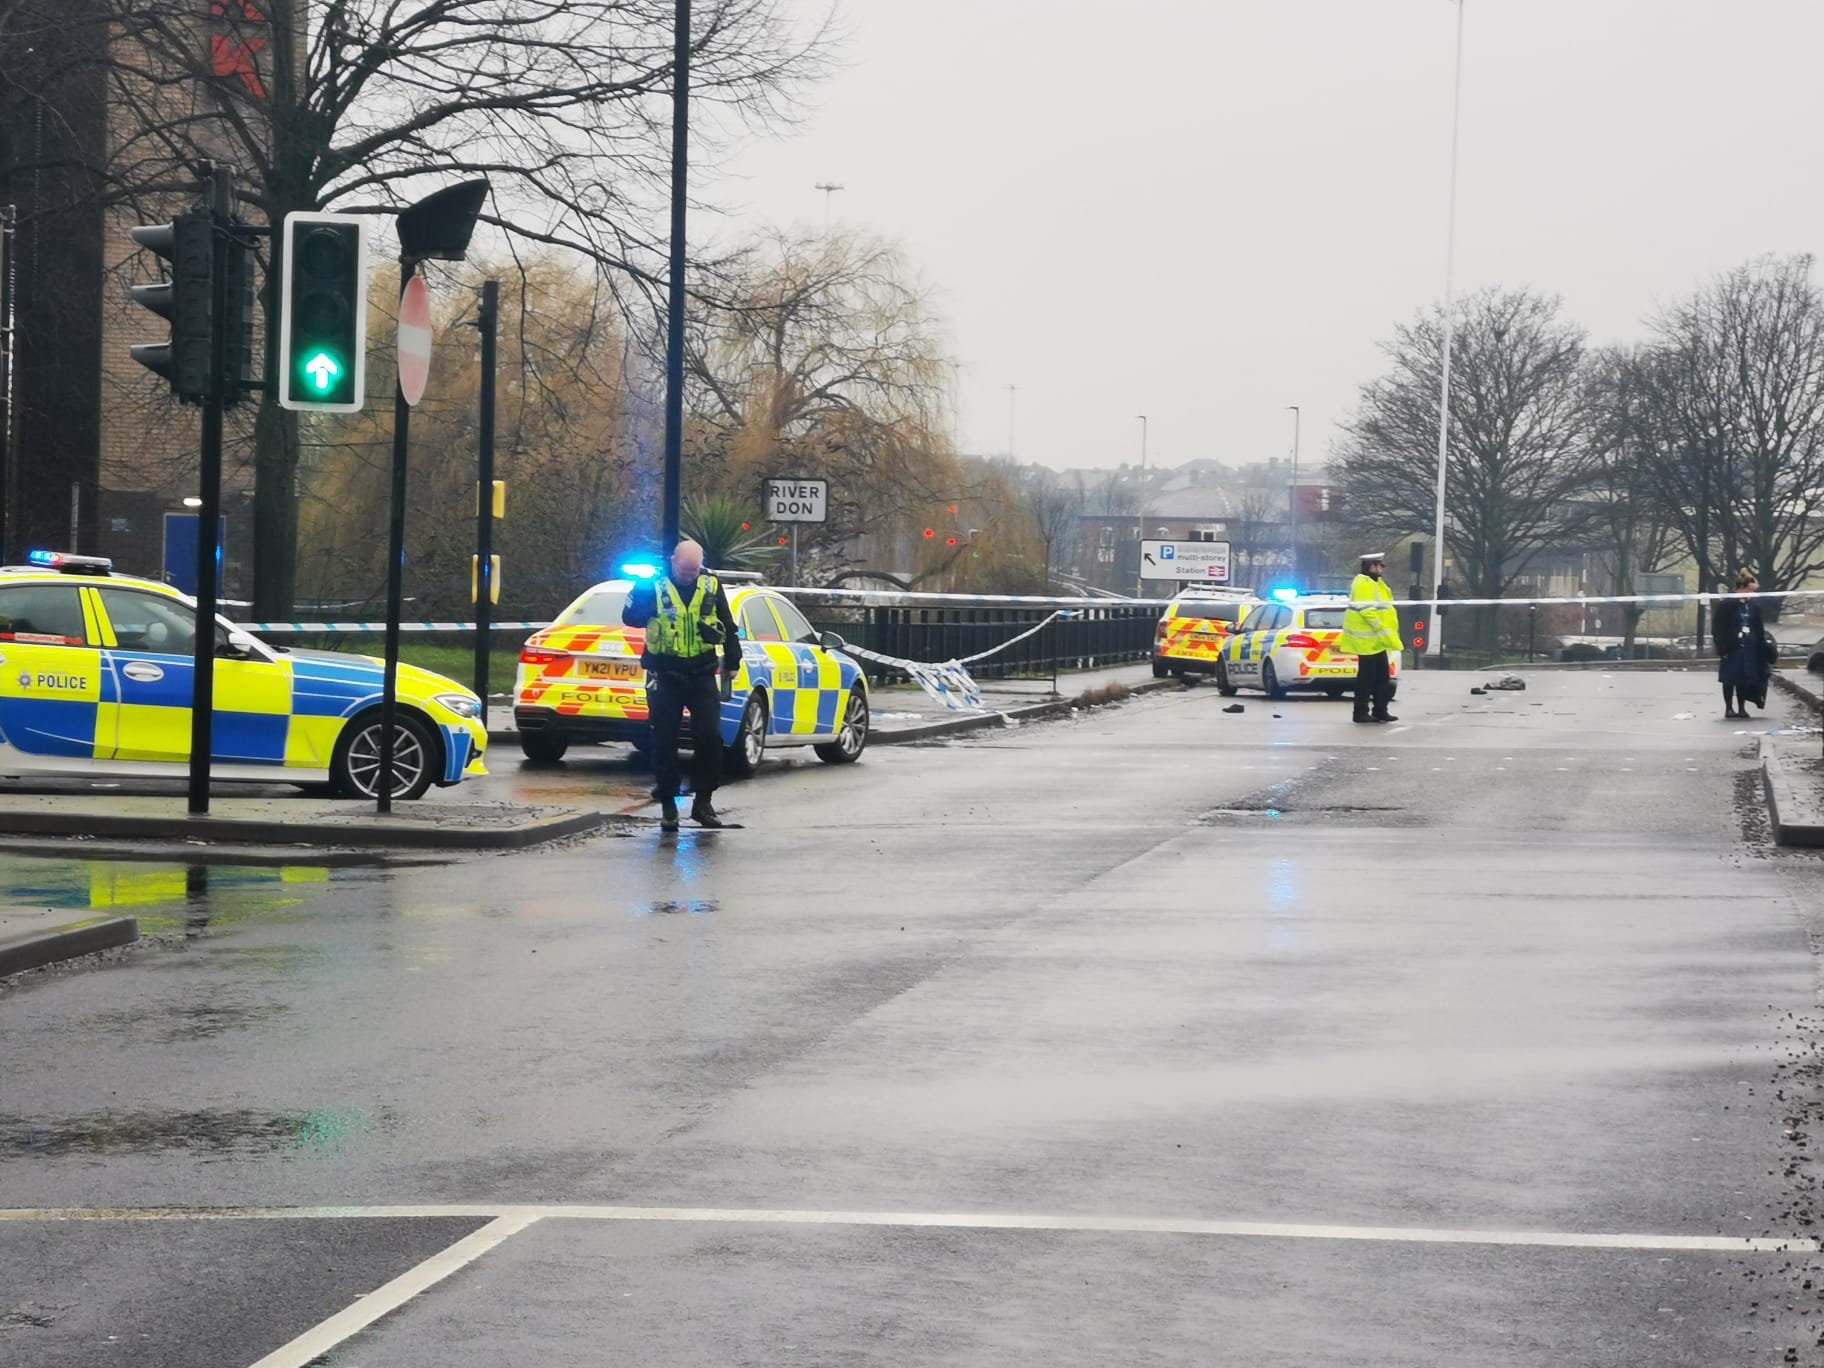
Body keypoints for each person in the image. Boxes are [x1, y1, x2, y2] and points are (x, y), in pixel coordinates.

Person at [622, 539, 742, 830]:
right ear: (673, 561)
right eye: (685, 570)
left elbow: (727, 624)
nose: (690, 576)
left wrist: (733, 660)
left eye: (694, 570)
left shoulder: (711, 584)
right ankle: (668, 805)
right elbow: (630, 617)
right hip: (665, 674)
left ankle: (703, 802)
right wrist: (643, 593)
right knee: (664, 741)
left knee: (710, 737)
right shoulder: (654, 584)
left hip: (702, 672)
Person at [1341, 551, 1403, 724]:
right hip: (1366, 639)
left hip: (1376, 641)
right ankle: (1360, 712)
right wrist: (1382, 629)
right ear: (1371, 566)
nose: (1382, 569)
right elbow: (1366, 610)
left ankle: (1380, 710)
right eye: (1380, 565)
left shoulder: (1376, 583)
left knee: (1382, 678)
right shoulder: (1363, 583)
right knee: (1366, 679)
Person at [1714, 568, 1772, 719]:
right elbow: (1718, 628)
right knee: (1729, 678)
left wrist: (1763, 648)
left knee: (1744, 679)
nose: (1753, 594)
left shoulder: (1754, 607)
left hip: (1749, 647)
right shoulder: (1726, 605)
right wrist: (1721, 647)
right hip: (1732, 647)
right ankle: (1729, 708)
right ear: (1742, 589)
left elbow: (1759, 628)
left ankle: (1741, 708)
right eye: (1751, 591)